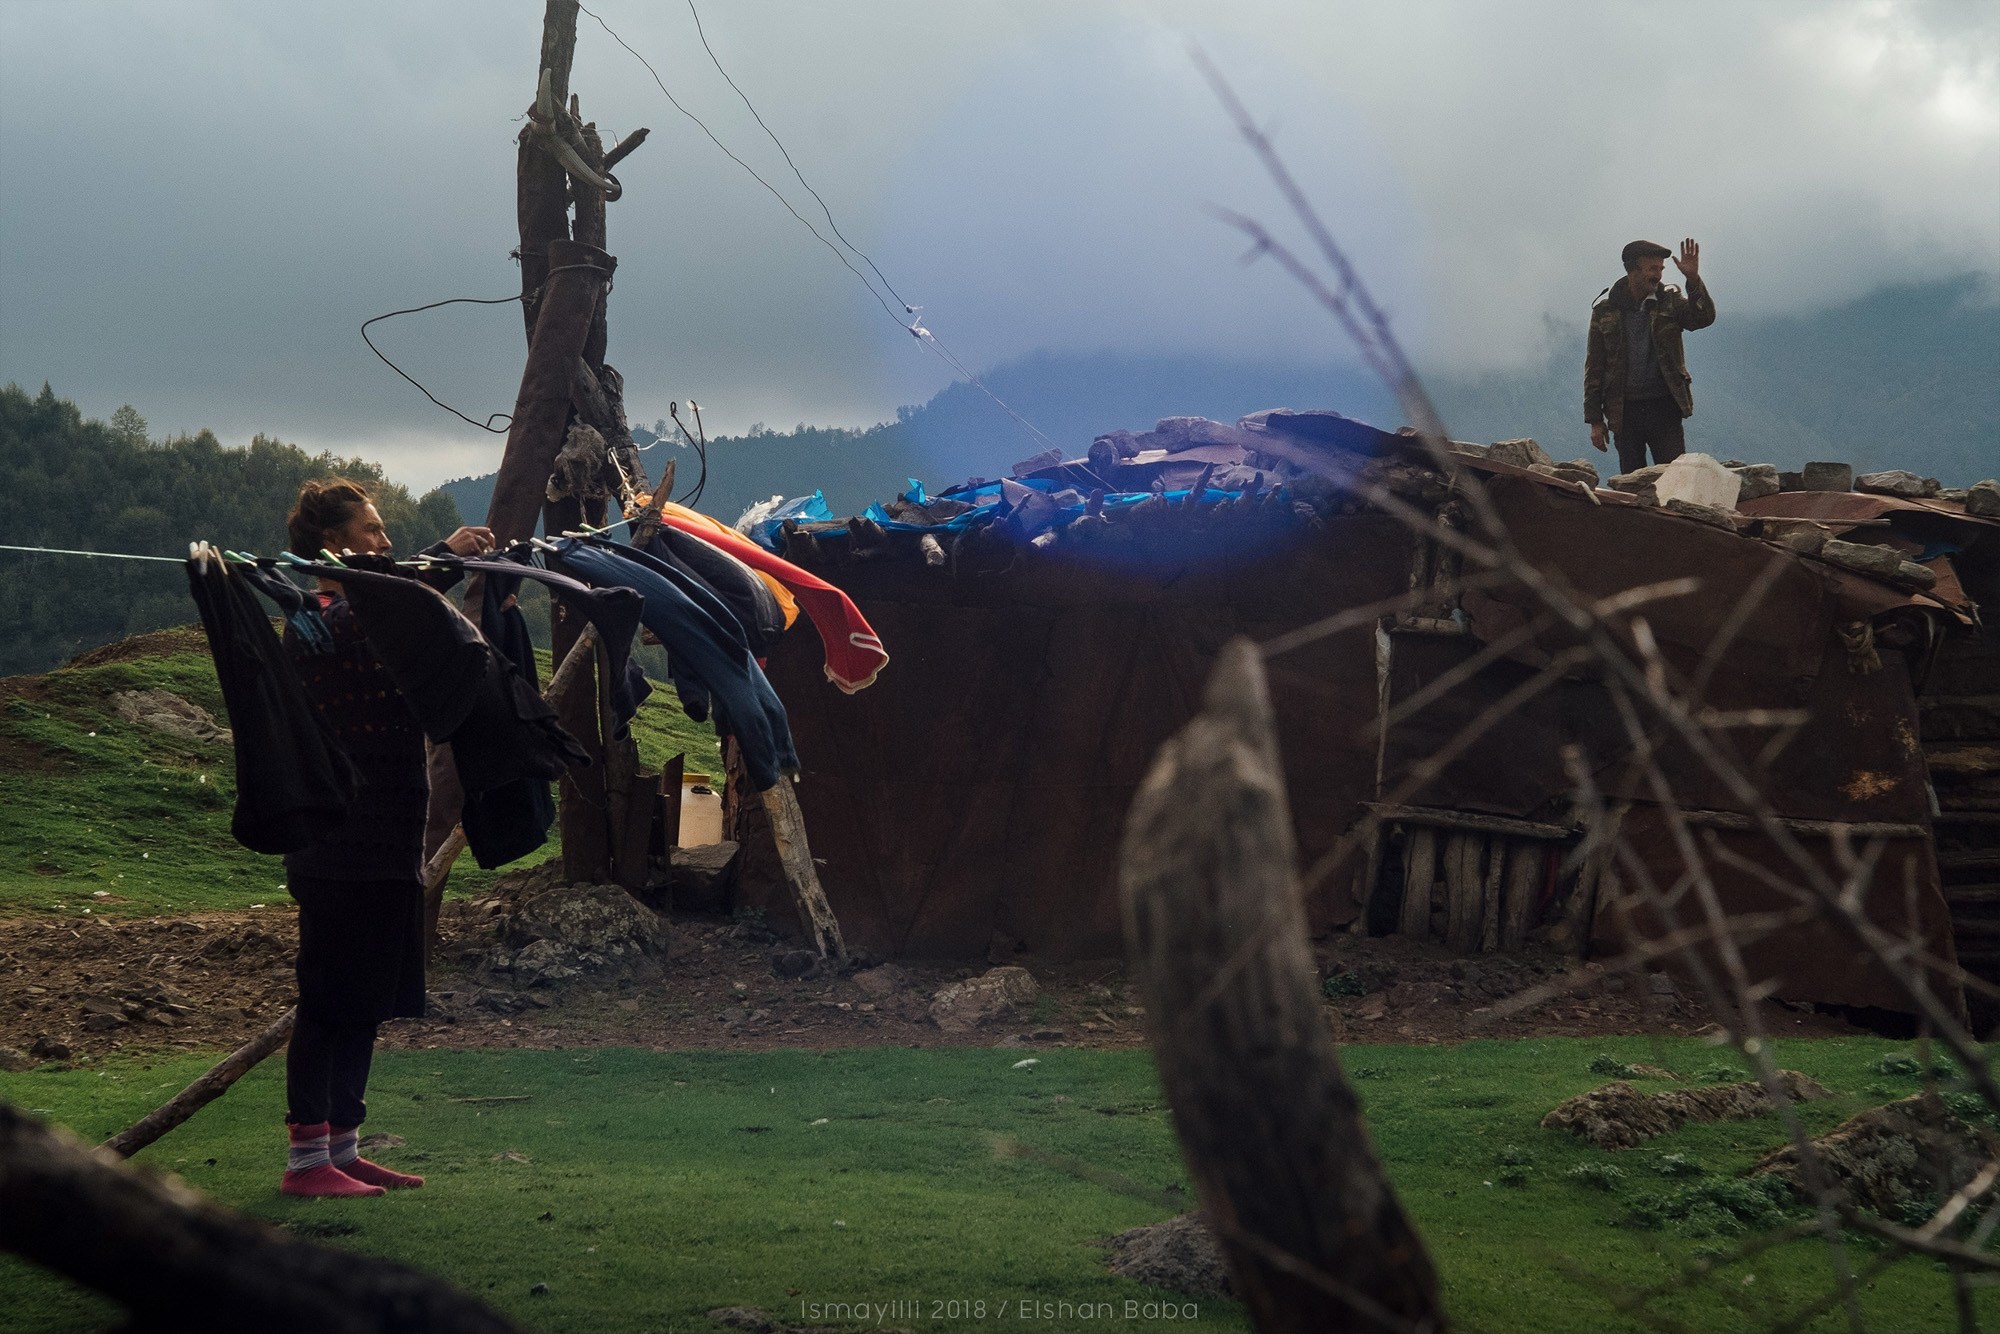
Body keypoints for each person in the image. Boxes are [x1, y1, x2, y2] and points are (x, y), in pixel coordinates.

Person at [276, 479, 493, 1197]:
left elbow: (406, 615)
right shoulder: (316, 618)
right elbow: (373, 613)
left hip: (392, 840)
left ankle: (344, 1145)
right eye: (372, 531)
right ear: (334, 544)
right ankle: (307, 1163)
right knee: (328, 1000)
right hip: (336, 847)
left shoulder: (384, 608)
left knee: (366, 1000)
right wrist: (441, 558)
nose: (384, 540)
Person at [1585, 238, 1715, 475]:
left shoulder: (1670, 302)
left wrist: (1693, 280)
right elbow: (1595, 366)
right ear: (1633, 271)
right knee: (1632, 483)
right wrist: (1595, 420)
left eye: (1661, 269)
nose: (1658, 275)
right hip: (1624, 412)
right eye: (1652, 269)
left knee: (1676, 478)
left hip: (1664, 407)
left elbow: (1703, 318)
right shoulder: (1605, 311)